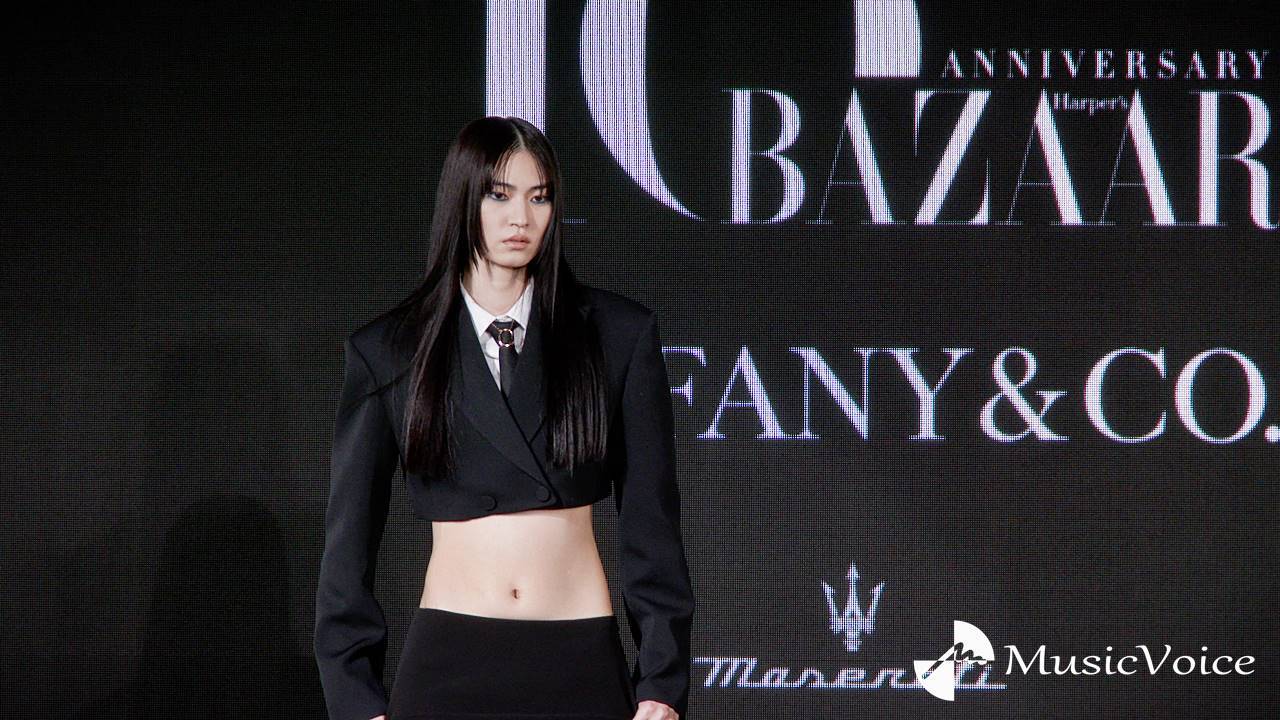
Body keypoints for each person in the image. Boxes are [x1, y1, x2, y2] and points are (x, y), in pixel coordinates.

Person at [314, 115, 696, 720]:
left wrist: (661, 680)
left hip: (578, 657)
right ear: (462, 199)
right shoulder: (391, 350)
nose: (520, 218)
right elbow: (348, 542)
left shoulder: (617, 335)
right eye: (499, 194)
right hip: (449, 660)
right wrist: (354, 696)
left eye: (539, 197)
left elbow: (652, 524)